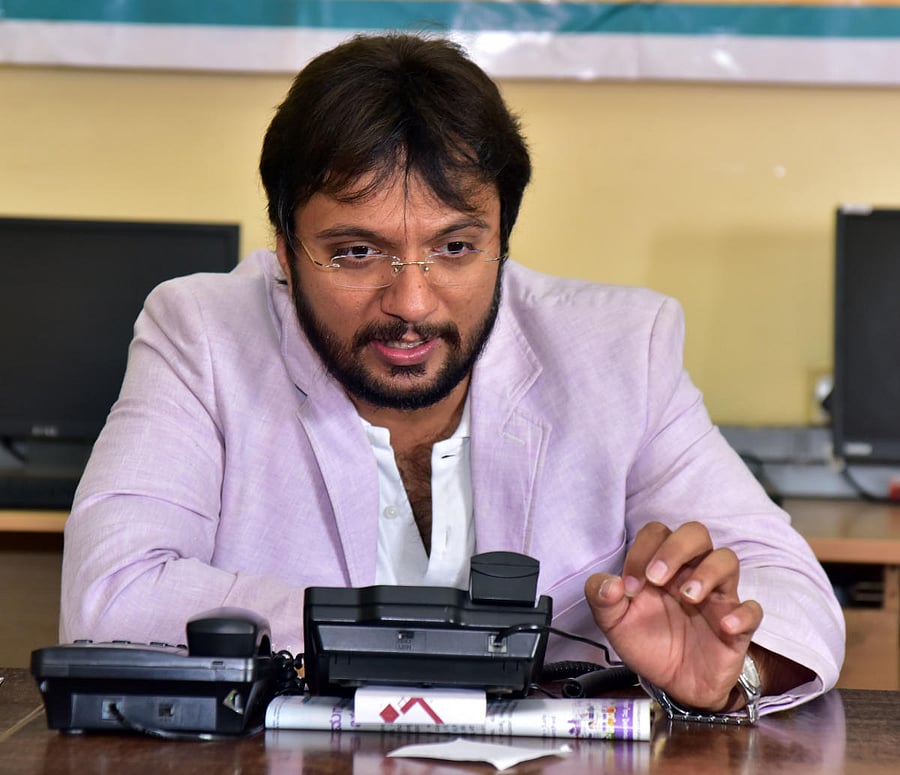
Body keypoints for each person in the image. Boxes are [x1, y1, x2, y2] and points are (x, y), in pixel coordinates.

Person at [60, 32, 843, 720]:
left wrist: (730, 672)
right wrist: (456, 643)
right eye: (356, 252)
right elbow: (111, 598)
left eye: (457, 248)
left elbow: (793, 594)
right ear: (282, 245)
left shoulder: (619, 351)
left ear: (504, 235)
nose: (411, 301)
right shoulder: (201, 334)